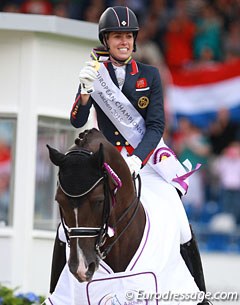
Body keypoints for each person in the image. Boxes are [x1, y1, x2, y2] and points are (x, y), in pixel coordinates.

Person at [49, 6, 210, 304]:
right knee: (65, 227)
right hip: (107, 165)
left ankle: (199, 293)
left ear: (134, 40)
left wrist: (137, 158)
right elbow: (76, 119)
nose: (123, 41)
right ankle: (58, 295)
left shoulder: (149, 74)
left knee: (179, 216)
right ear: (106, 40)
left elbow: (156, 124)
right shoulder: (95, 74)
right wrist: (84, 92)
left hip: (144, 162)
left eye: (127, 36)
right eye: (117, 36)